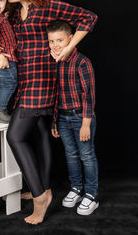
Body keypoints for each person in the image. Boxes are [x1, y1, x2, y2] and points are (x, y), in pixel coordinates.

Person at [0, 0, 98, 224]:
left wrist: (68, 48)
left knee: (16, 135)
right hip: (23, 82)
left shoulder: (49, 7)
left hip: (43, 82)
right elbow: (3, 39)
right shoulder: (13, 14)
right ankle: (44, 187)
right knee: (39, 134)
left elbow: (88, 17)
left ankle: (40, 196)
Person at [48, 20, 99, 216]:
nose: (55, 45)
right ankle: (76, 187)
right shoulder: (54, 62)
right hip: (62, 117)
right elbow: (55, 94)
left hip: (81, 118)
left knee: (86, 155)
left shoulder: (82, 62)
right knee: (70, 155)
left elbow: (89, 95)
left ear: (71, 39)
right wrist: (54, 120)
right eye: (51, 41)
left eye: (60, 40)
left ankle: (92, 194)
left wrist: (86, 124)